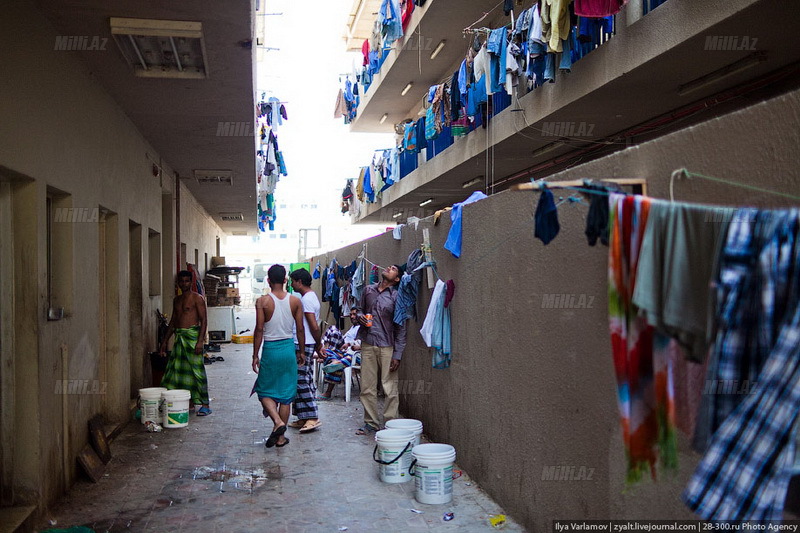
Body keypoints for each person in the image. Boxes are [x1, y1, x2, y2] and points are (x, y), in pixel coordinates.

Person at [251, 264, 306, 448]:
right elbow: (299, 329)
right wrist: (302, 351)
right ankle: (281, 438)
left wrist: (255, 355)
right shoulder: (295, 301)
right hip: (288, 349)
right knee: (285, 395)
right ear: (285, 280)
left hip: (271, 350)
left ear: (268, 280)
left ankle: (277, 422)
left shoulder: (262, 301)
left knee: (264, 390)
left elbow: (259, 329)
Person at [353, 264, 407, 435]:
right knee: (367, 387)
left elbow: (401, 327)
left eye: (393, 269)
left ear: (397, 279)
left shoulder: (397, 297)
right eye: (389, 267)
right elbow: (359, 310)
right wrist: (360, 316)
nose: (389, 268)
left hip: (387, 346)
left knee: (389, 387)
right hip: (368, 343)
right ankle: (371, 423)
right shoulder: (368, 290)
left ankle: (391, 424)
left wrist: (397, 354)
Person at [159, 270, 212, 415]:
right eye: (181, 281)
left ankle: (205, 404)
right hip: (180, 338)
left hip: (193, 338)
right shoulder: (176, 300)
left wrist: (200, 341)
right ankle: (188, 403)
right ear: (178, 283)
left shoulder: (197, 298)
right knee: (179, 372)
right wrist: (164, 342)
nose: (184, 284)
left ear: (191, 282)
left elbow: (204, 320)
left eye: (187, 281)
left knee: (197, 371)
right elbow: (173, 322)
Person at [287, 268, 323, 433]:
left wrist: (318, 344)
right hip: (304, 343)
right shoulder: (308, 297)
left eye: (293, 281)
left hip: (305, 343)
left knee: (302, 381)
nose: (292, 284)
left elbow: (313, 326)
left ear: (299, 282)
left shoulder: (307, 299)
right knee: (301, 379)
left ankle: (312, 417)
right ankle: (303, 416)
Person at [317, 309, 361, 400]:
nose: (352, 317)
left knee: (340, 364)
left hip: (354, 354)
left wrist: (350, 344)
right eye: (351, 314)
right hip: (344, 351)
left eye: (354, 314)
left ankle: (335, 364)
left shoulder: (363, 328)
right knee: (332, 332)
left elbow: (362, 343)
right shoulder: (353, 328)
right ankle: (333, 360)